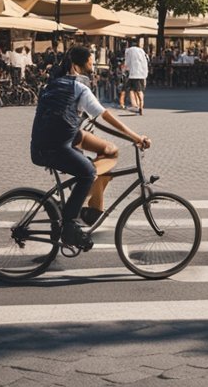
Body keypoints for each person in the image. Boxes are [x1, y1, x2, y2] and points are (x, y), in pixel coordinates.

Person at [30, 46, 151, 249]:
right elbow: (105, 115)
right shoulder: (79, 87)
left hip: (53, 138)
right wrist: (135, 136)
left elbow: (95, 121)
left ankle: (93, 209)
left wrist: (128, 137)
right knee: (87, 173)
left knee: (110, 150)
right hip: (56, 145)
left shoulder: (55, 83)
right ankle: (69, 225)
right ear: (78, 65)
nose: (92, 64)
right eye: (90, 61)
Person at [122, 39, 149, 115]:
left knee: (130, 90)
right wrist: (145, 74)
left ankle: (135, 105)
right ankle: (141, 106)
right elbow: (146, 61)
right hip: (142, 74)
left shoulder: (128, 51)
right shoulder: (141, 51)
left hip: (133, 74)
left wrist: (124, 69)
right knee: (140, 90)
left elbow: (127, 63)